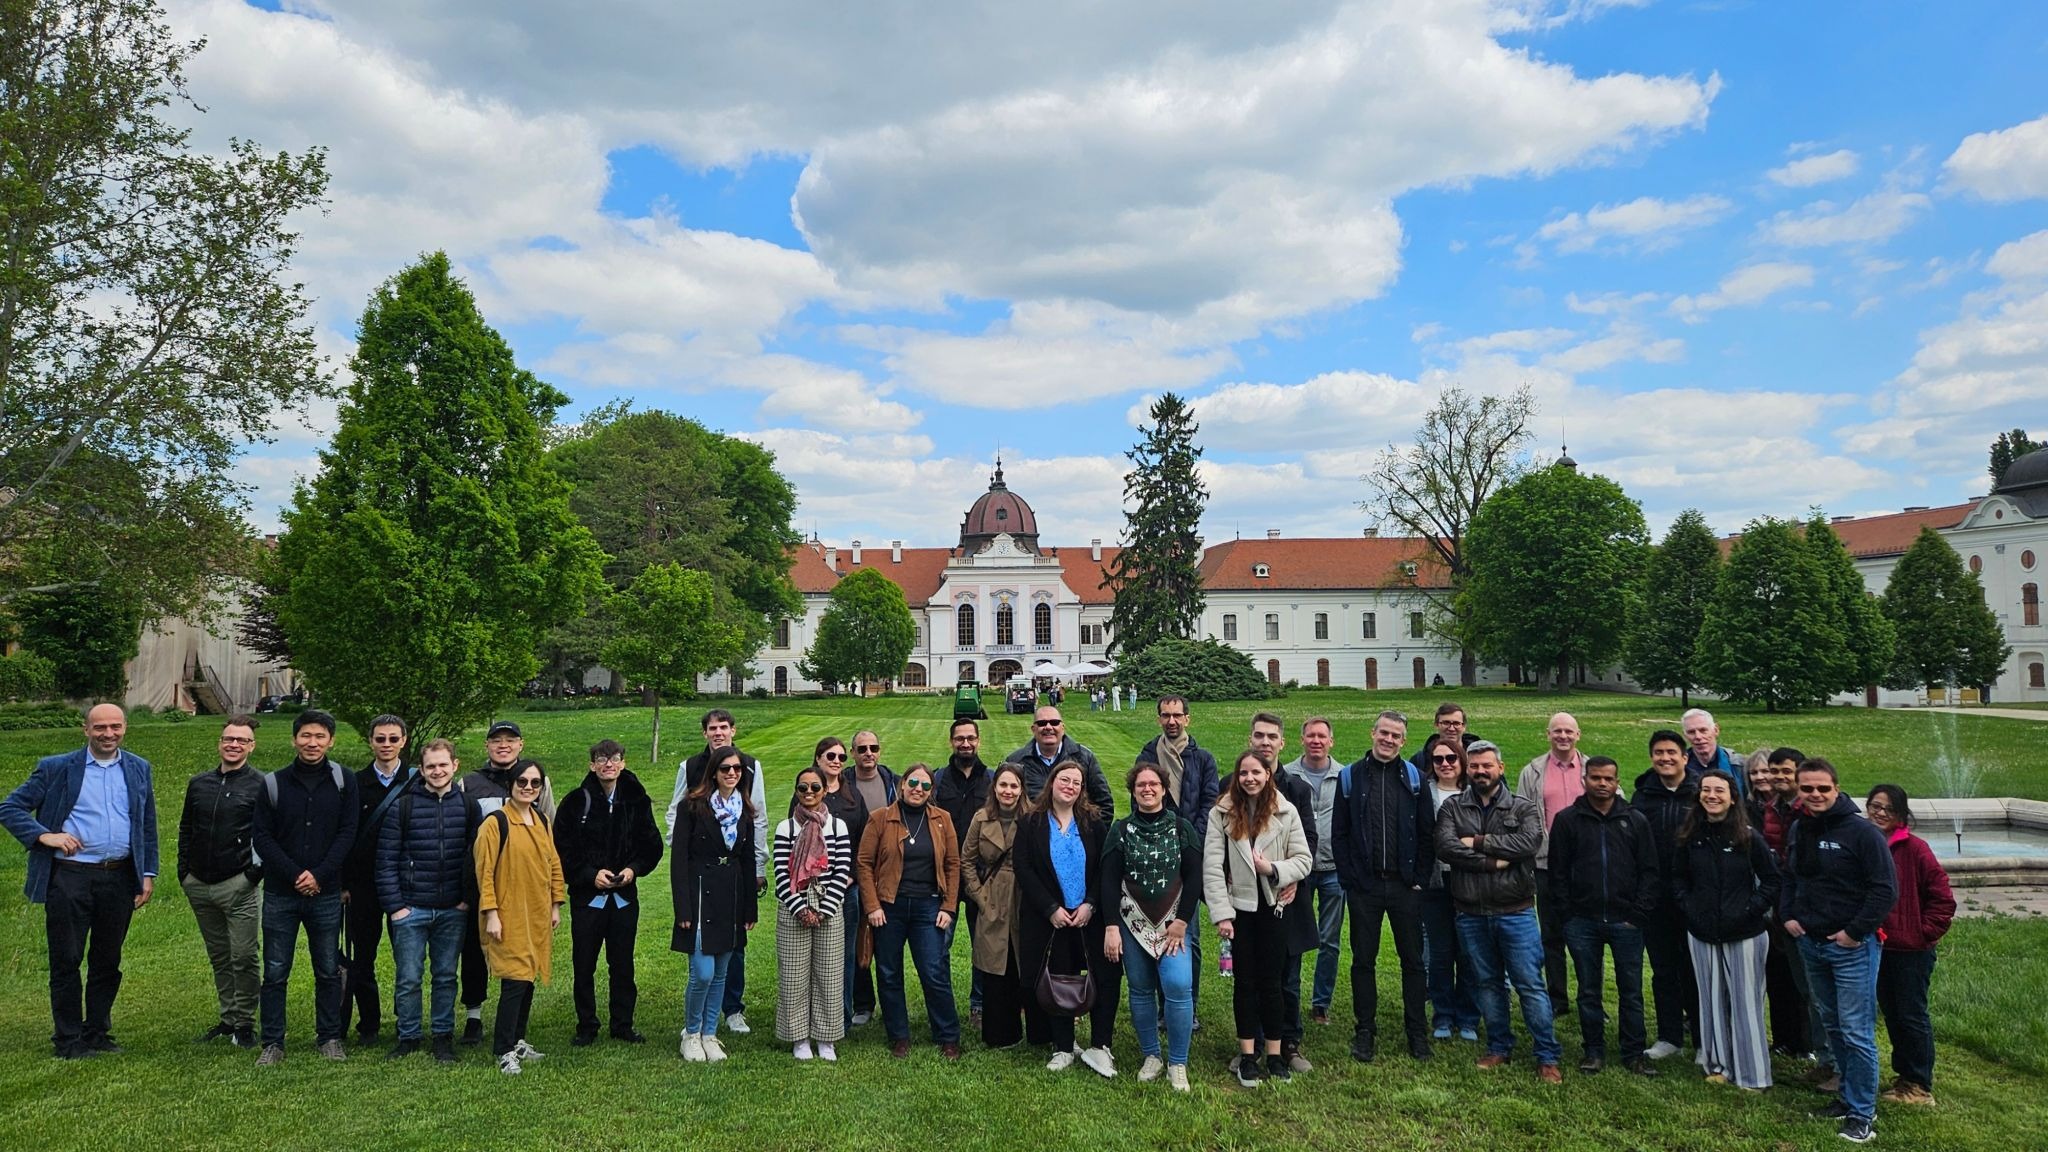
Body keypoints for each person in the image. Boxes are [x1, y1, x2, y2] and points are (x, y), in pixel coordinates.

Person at [1, 703, 159, 1060]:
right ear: (86, 730)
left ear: (125, 728)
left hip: (118, 877)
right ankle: (69, 1039)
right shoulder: (57, 768)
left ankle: (97, 1031)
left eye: (115, 727)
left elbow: (146, 824)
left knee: (107, 958)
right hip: (70, 877)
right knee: (67, 959)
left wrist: (147, 872)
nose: (108, 734)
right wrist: (45, 836)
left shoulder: (138, 768)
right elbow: (9, 808)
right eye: (100, 727)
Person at [1782, 758, 1897, 1145]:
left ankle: (1862, 1113)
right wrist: (1789, 915)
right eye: (1807, 788)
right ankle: (1846, 1097)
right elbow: (1791, 876)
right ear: (1799, 789)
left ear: (1837, 789)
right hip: (1811, 944)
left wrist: (1853, 932)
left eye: (1822, 789)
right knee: (1833, 1027)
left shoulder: (1862, 833)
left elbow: (1884, 890)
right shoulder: (1800, 827)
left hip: (1852, 948)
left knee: (1856, 1031)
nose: (1814, 795)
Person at [1434, 740, 1561, 1083]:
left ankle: (1547, 1055)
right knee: (1488, 984)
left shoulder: (1521, 808)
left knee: (1530, 984)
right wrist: (1494, 861)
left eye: (1486, 765)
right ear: (1467, 769)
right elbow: (1446, 847)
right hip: (1471, 912)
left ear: (1500, 768)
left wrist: (1474, 842)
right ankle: (1499, 1046)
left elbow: (1528, 844)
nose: (1480, 771)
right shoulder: (1453, 808)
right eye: (1474, 766)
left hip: (1515, 911)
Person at [252, 709, 360, 1065]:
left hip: (326, 893)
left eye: (320, 737)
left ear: (331, 740)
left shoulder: (344, 780)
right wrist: (297, 874)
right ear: (294, 739)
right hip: (281, 893)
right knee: (276, 970)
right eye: (305, 736)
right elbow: (263, 837)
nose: (312, 743)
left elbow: (348, 833)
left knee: (328, 969)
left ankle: (329, 1037)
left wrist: (320, 875)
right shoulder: (273, 783)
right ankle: (272, 1043)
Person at [1204, 749, 1313, 1087]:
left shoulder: (1286, 811)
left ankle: (1277, 1055)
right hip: (1239, 911)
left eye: (1256, 772)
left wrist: (1273, 869)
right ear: (1236, 778)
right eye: (1243, 773)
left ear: (1268, 775)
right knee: (1245, 983)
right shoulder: (1221, 814)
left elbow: (1304, 859)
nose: (1249, 778)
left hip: (1275, 908)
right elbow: (1212, 867)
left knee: (1273, 983)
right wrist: (1222, 914)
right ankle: (1248, 1056)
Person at [1331, 709, 1435, 1064]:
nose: (1388, 740)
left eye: (1396, 736)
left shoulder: (1415, 779)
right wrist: (1350, 878)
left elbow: (1426, 833)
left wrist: (1419, 879)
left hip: (1406, 886)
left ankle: (1416, 1031)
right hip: (1365, 886)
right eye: (1383, 733)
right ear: (1372, 733)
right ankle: (1365, 1029)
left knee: (1413, 961)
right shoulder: (1350, 778)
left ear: (1403, 741)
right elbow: (1339, 834)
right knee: (1363, 960)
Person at [1547, 755, 1659, 1076]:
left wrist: (1638, 914)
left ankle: (1634, 1052)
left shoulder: (1634, 820)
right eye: (1595, 778)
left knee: (1632, 990)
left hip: (1627, 921)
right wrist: (1568, 915)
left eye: (1608, 779)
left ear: (1617, 781)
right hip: (1583, 921)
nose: (1602, 784)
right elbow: (1557, 873)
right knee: (1588, 990)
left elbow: (1650, 871)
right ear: (1585, 780)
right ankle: (1593, 1050)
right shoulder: (1568, 820)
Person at [1673, 770, 1780, 1091]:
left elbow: (1773, 881)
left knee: (1746, 1005)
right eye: (1706, 790)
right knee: (1711, 1001)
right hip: (1702, 933)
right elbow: (1678, 880)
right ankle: (1719, 1064)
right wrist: (1690, 909)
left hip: (1745, 935)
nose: (1711, 796)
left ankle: (1753, 1075)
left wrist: (1749, 911)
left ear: (1732, 797)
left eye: (1719, 790)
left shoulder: (1748, 837)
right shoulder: (1690, 837)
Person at [552, 739, 664, 1046]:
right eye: (602, 759)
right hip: (588, 898)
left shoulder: (636, 800)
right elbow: (562, 849)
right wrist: (590, 875)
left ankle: (622, 1024)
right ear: (592, 765)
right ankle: (587, 1025)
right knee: (584, 962)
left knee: (622, 963)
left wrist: (633, 869)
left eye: (614, 759)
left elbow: (652, 845)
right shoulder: (577, 801)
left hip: (624, 897)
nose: (608, 764)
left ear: (623, 763)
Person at [666, 710, 769, 1037]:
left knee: (726, 963)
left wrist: (753, 889)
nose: (732, 773)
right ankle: (692, 1031)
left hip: (732, 886)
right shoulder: (691, 790)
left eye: (737, 769)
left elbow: (753, 840)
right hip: (700, 885)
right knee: (703, 969)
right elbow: (677, 840)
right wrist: (682, 903)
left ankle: (719, 1023)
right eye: (725, 768)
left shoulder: (747, 796)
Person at [1016, 760, 1122, 1076]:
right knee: (1058, 977)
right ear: (1052, 782)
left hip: (1090, 916)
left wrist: (1091, 904)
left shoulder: (1093, 823)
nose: (1071, 786)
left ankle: (1100, 1045)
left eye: (1077, 782)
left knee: (1106, 975)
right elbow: (1023, 869)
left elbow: (1106, 870)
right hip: (1051, 919)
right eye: (1065, 779)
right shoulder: (1031, 823)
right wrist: (1050, 908)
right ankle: (1063, 1046)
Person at [376, 737, 478, 1063]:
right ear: (421, 769)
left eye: (442, 765)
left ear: (455, 766)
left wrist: (465, 900)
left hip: (452, 908)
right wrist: (396, 907)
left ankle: (443, 1036)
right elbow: (386, 860)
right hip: (411, 907)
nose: (437, 771)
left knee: (446, 976)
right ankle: (408, 1036)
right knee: (408, 978)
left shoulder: (468, 806)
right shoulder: (402, 806)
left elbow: (476, 859)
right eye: (430, 766)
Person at [1102, 762, 1202, 1092]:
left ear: (1163, 788)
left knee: (1177, 984)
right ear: (1133, 791)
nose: (1147, 789)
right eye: (1140, 785)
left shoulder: (1181, 828)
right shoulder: (1120, 830)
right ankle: (1151, 1056)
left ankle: (1177, 1062)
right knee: (1141, 989)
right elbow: (1108, 881)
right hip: (1132, 924)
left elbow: (1194, 878)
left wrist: (1182, 922)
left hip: (1174, 924)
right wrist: (1112, 927)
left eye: (1153, 784)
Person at [857, 763, 963, 1060]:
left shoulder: (943, 820)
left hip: (928, 905)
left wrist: (949, 906)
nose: (918, 789)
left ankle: (948, 1035)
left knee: (933, 971)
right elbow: (864, 864)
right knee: (889, 973)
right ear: (902, 785)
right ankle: (899, 1035)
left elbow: (953, 866)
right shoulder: (880, 819)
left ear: (932, 791)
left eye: (926, 786)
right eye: (913, 783)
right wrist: (873, 905)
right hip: (889, 907)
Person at [177, 714, 265, 1049]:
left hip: (239, 884)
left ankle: (245, 1022)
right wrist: (183, 872)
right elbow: (187, 829)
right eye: (229, 739)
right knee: (220, 956)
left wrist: (252, 875)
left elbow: (267, 836)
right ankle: (228, 1018)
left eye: (242, 740)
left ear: (251, 746)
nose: (234, 745)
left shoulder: (261, 785)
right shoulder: (199, 783)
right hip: (199, 883)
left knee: (243, 955)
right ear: (220, 742)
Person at [1866, 784, 1954, 1108]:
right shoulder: (1867, 844)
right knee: (1892, 1013)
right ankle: (1904, 1076)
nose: (1879, 813)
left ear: (1901, 815)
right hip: (1875, 946)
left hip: (1909, 950)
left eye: (1887, 809)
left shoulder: (1915, 850)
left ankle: (1918, 1083)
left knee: (1910, 1015)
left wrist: (1922, 933)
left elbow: (1943, 899)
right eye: (1874, 806)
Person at [476, 760, 565, 1075]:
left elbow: (553, 863)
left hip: (537, 913)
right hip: (507, 914)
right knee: (514, 980)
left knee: (528, 979)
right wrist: (491, 915)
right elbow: (484, 874)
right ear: (510, 785)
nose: (528, 788)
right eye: (522, 782)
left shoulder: (541, 820)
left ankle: (518, 1040)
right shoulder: (495, 824)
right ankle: (503, 1050)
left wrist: (556, 904)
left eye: (535, 783)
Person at [1250, 712, 1321, 1074]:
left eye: (1271, 736)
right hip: (1248, 899)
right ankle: (1253, 1043)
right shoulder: (1233, 784)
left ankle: (1289, 1043)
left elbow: (1309, 841)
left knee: (1287, 978)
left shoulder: (1296, 790)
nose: (1265, 742)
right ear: (1251, 739)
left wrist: (1288, 875)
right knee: (1251, 975)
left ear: (1282, 743)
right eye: (1259, 735)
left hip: (1286, 896)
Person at [773, 767, 855, 1061]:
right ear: (796, 791)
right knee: (794, 975)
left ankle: (826, 1038)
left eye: (815, 788)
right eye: (803, 788)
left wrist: (824, 909)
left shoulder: (837, 826)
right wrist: (801, 909)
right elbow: (781, 875)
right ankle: (799, 1037)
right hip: (794, 903)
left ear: (824, 791)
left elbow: (843, 869)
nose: (809, 793)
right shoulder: (786, 828)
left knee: (829, 974)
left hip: (828, 904)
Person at [342, 713, 414, 1045]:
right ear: (371, 741)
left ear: (404, 741)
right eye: (380, 739)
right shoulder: (353, 783)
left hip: (407, 884)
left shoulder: (418, 781)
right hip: (362, 885)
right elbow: (343, 835)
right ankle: (368, 1024)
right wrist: (343, 883)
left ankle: (407, 1023)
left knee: (408, 958)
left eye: (393, 739)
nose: (386, 745)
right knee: (362, 957)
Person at [1635, 729, 1701, 1061]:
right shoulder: (1643, 796)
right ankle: (1669, 1036)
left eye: (1672, 752)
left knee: (1697, 970)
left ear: (1684, 758)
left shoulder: (1701, 791)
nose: (1665, 758)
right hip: (1656, 898)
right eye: (1659, 753)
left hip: (1693, 896)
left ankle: (1704, 1040)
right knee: (1663, 970)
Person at [1514, 712, 1587, 1012]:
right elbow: (1519, 817)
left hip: (1586, 865)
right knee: (1552, 935)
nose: (1563, 736)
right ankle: (1557, 998)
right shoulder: (1532, 771)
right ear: (1548, 734)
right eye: (1557, 731)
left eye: (1568, 731)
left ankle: (1590, 997)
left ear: (1578, 735)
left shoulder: (1592, 768)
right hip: (1545, 864)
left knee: (1586, 938)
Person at [798, 737, 871, 1028]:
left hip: (846, 888)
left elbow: (864, 842)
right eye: (831, 755)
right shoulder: (806, 793)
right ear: (818, 758)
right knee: (808, 955)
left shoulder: (852, 797)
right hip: (809, 888)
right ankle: (809, 1015)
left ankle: (840, 1015)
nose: (837, 760)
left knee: (844, 954)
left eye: (842, 756)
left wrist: (850, 873)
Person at [1280, 716, 1345, 1031]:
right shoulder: (1288, 776)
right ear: (1301, 739)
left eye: (1322, 736)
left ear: (1331, 741)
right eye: (1310, 736)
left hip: (1334, 868)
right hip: (1297, 872)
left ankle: (1321, 1003)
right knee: (1293, 938)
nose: (1316, 741)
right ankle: (1288, 993)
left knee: (1329, 940)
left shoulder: (1344, 776)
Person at [1752, 747, 1814, 1061]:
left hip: (1806, 904)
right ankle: (1784, 1039)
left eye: (1785, 771)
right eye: (1774, 771)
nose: (1778, 777)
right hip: (1779, 902)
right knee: (1779, 974)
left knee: (1806, 981)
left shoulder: (1808, 807)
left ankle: (1809, 1045)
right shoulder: (1772, 807)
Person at [960, 763, 1028, 1049]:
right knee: (993, 962)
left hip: (1024, 896)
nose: (1008, 791)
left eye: (1014, 786)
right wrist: (978, 895)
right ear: (994, 788)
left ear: (1021, 789)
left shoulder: (1033, 817)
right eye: (1003, 785)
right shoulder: (981, 818)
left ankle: (1025, 1028)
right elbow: (966, 860)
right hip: (992, 896)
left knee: (1019, 961)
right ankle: (997, 1032)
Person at [1417, 735, 1479, 1043]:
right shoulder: (1422, 793)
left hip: (1470, 883)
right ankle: (1442, 1014)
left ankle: (1468, 1016)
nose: (1444, 764)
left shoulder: (1474, 794)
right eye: (1438, 759)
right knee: (1440, 953)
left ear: (1461, 761)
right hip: (1434, 883)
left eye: (1451, 759)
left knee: (1468, 952)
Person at [933, 718, 992, 1025]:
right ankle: (942, 1007)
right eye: (959, 738)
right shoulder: (938, 779)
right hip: (946, 879)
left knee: (983, 946)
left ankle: (979, 1005)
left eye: (970, 738)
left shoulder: (993, 780)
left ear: (978, 741)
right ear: (951, 742)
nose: (965, 743)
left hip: (983, 878)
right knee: (939, 947)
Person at [1008, 706, 1115, 819]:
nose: (1048, 727)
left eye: (1054, 722)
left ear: (1063, 728)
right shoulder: (1016, 762)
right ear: (1033, 729)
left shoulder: (1084, 758)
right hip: (1030, 834)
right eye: (1042, 723)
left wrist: (1090, 835)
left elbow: (1104, 805)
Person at [1680, 709, 1746, 798]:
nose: (1698, 737)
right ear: (1685, 736)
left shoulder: (1739, 765)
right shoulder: (1679, 767)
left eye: (1703, 730)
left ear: (1716, 730)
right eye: (1691, 732)